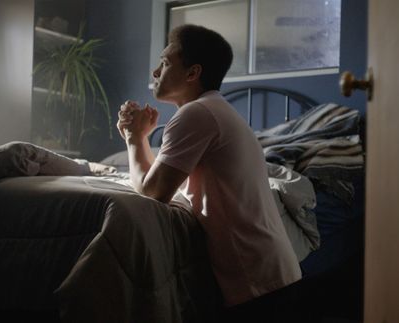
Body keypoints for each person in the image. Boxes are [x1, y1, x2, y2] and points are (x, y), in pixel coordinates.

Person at [116, 24, 301, 318]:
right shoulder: (214, 111)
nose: (155, 72)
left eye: (164, 63)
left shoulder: (196, 114)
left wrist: (135, 139)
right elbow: (161, 180)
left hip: (258, 282)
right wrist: (139, 139)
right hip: (273, 272)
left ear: (192, 73)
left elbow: (153, 192)